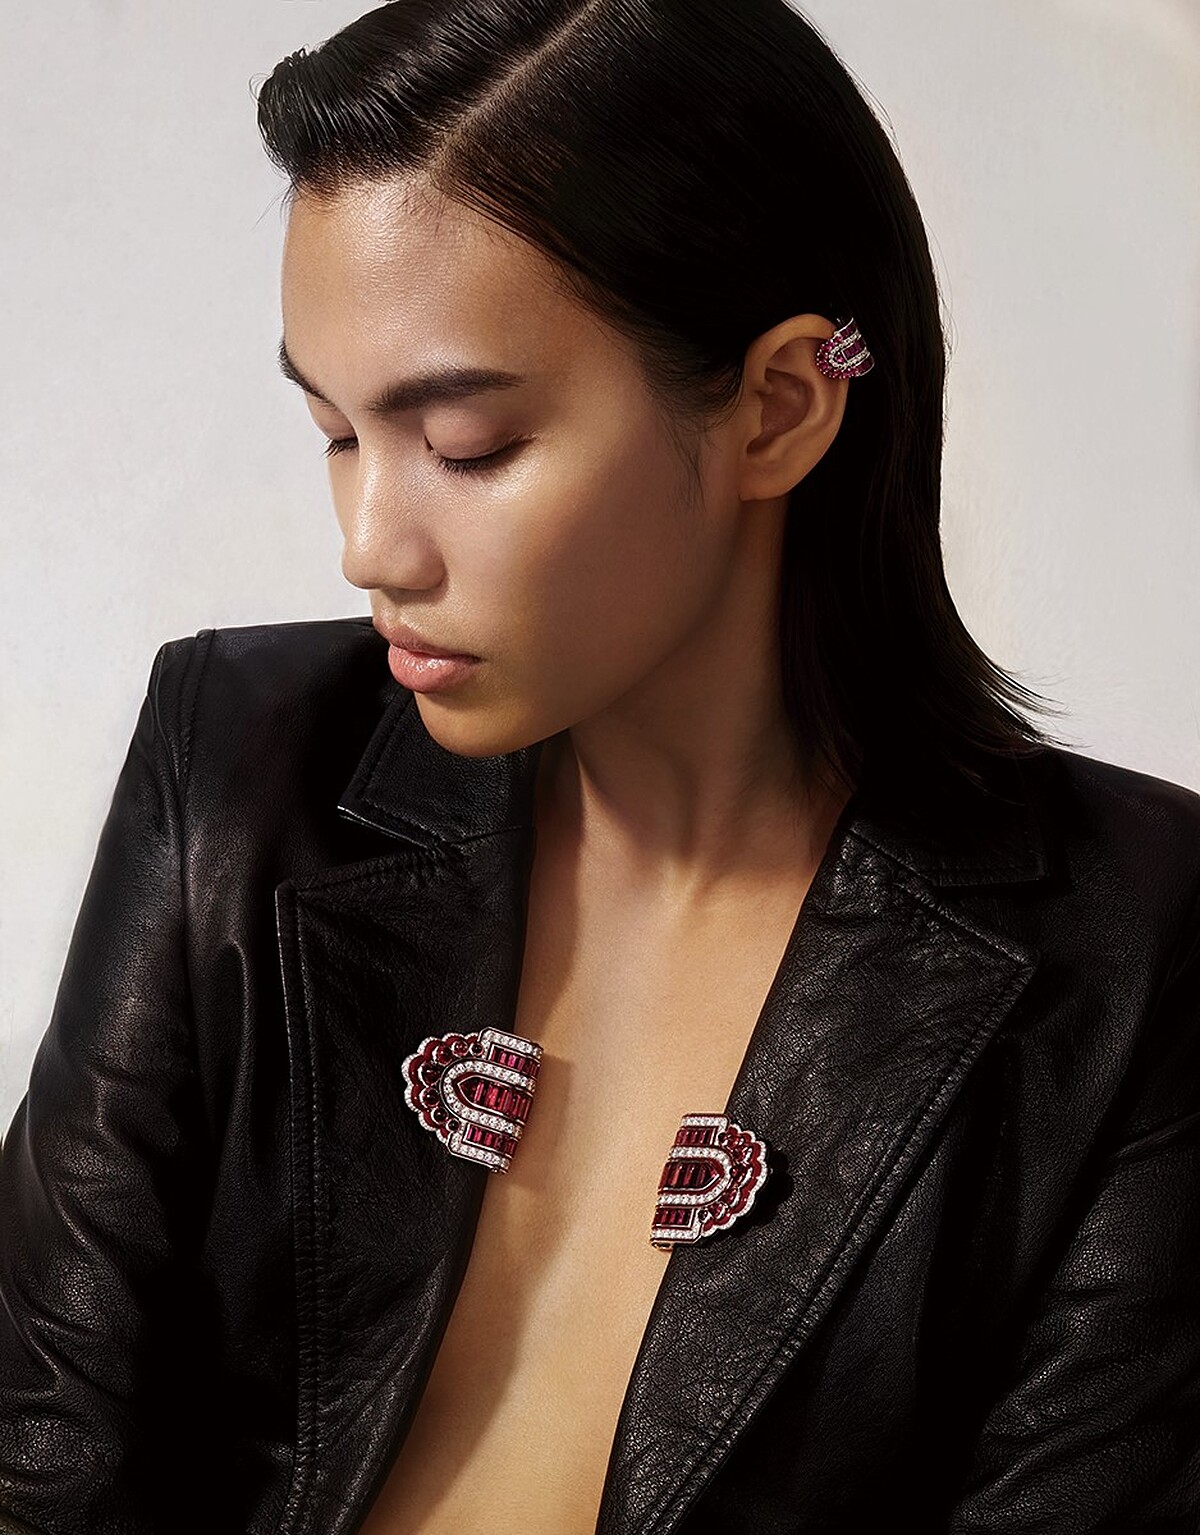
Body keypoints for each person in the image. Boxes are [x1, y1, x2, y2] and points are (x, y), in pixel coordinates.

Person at [2, 1, 1198, 1531]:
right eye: (335, 432)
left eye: (468, 445)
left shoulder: (1136, 944)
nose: (370, 547)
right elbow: (40, 1443)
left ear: (780, 408)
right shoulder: (237, 764)